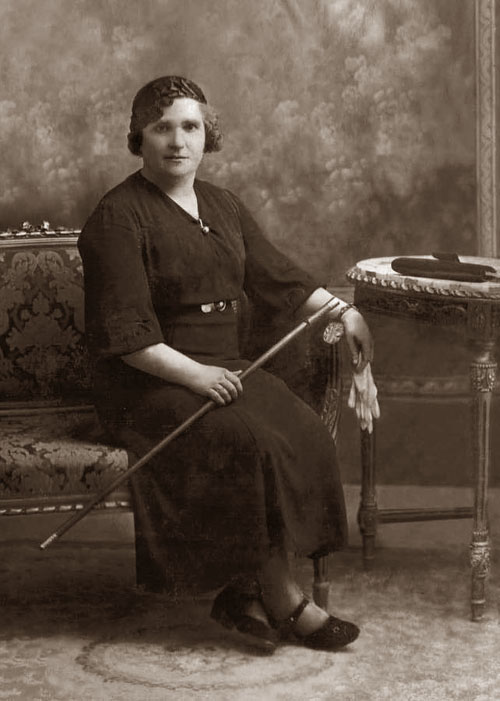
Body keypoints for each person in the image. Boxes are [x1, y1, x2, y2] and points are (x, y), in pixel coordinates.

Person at [78, 75, 378, 655]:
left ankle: (242, 592)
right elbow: (127, 335)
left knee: (301, 430)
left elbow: (277, 276)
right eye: (161, 127)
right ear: (139, 137)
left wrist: (346, 313)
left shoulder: (222, 204)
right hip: (146, 381)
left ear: (206, 135)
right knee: (243, 441)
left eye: (190, 126)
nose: (177, 141)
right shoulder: (117, 217)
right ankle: (285, 600)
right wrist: (198, 377)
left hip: (224, 365)